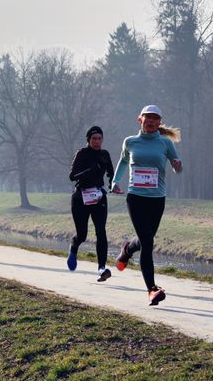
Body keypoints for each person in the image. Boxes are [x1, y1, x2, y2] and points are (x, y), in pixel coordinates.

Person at [111, 105, 182, 306]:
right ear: (139, 120)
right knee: (148, 243)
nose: (151, 121)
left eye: (155, 118)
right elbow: (123, 161)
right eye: (147, 117)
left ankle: (127, 249)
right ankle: (151, 289)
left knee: (146, 239)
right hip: (136, 198)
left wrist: (178, 166)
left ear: (159, 123)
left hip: (157, 199)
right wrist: (116, 181)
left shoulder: (165, 143)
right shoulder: (130, 142)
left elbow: (178, 167)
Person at [67, 126, 114, 282]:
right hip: (80, 198)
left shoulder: (105, 154)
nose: (97, 141)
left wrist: (114, 185)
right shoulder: (82, 154)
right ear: (88, 140)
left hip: (98, 197)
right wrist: (89, 170)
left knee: (101, 231)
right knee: (82, 234)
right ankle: (74, 248)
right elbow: (72, 176)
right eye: (94, 139)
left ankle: (101, 268)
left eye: (100, 138)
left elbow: (111, 175)